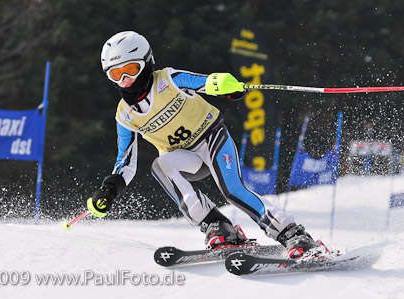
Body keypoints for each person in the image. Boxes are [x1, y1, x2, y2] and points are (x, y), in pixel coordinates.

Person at [86, 31, 325, 259]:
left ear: (147, 63)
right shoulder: (124, 115)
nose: (125, 81)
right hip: (184, 157)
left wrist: (225, 86)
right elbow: (125, 162)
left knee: (232, 190)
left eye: (130, 70)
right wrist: (109, 191)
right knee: (160, 166)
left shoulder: (168, 80)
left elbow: (204, 82)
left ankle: (293, 234)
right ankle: (217, 225)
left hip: (211, 138)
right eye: (116, 75)